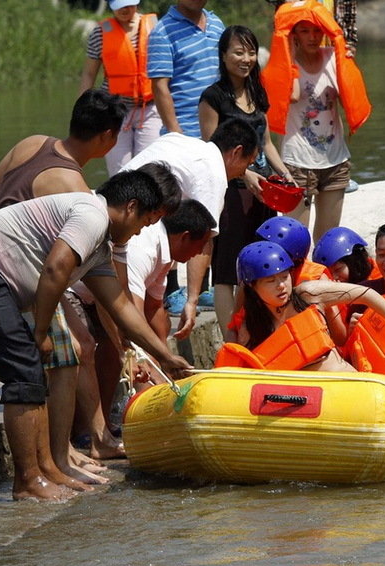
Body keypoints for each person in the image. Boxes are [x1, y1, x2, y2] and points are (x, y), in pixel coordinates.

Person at [0, 171, 191, 502]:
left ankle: (46, 470)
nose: (141, 231)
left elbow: (121, 308)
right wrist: (41, 331)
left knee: (33, 373)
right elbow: (55, 268)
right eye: (145, 222)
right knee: (24, 372)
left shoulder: (100, 248)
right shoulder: (92, 215)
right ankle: (28, 482)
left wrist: (166, 357)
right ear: (130, 207)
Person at [0, 89, 150, 476]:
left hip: (3, 260)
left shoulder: (32, 143)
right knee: (69, 350)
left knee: (81, 345)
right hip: (25, 276)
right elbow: (92, 277)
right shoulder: (74, 188)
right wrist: (123, 339)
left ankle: (93, 439)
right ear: (108, 136)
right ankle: (63, 452)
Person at [121, 117, 259, 333]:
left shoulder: (181, 142)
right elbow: (204, 238)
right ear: (236, 152)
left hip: (119, 209)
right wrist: (192, 300)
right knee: (133, 320)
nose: (244, 173)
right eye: (247, 164)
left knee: (155, 314)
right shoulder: (213, 173)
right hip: (133, 233)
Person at [199, 25, 296, 330]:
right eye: (238, 52)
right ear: (223, 55)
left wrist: (285, 174)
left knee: (260, 264)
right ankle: (230, 341)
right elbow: (212, 149)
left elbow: (266, 143)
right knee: (227, 270)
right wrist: (245, 173)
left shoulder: (257, 91)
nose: (246, 59)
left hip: (262, 192)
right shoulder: (213, 97)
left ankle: (254, 332)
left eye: (251, 52)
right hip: (230, 190)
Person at [214, 241, 385, 372]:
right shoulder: (250, 328)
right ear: (252, 286)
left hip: (344, 387)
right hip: (299, 402)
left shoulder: (308, 294)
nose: (281, 285)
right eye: (271, 281)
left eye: (285, 276)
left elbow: (367, 294)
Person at [261, 0, 371, 242]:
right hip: (298, 162)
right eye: (304, 31)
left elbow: (349, 97)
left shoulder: (334, 58)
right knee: (296, 239)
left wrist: (347, 61)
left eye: (316, 30)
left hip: (335, 160)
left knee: (327, 239)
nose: (312, 37)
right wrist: (289, 54)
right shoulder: (283, 65)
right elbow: (293, 95)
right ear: (294, 34)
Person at [79, 0, 162, 176]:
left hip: (149, 109)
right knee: (119, 171)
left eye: (129, 4)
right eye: (120, 4)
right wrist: (83, 109)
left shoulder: (156, 27)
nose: (125, 9)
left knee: (148, 169)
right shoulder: (100, 33)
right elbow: (89, 74)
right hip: (113, 111)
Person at [118, 198, 215, 344]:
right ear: (185, 237)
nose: (200, 252)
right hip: (90, 298)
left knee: (165, 323)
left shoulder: (167, 251)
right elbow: (134, 314)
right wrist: (158, 354)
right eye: (201, 245)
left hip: (115, 304)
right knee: (116, 337)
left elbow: (153, 307)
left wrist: (164, 350)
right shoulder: (144, 250)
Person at [147, 0, 224, 137]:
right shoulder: (162, 32)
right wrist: (176, 133)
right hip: (187, 133)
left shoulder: (216, 24)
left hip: (221, 130)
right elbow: (159, 87)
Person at [312, 225, 378, 284]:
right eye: (329, 273)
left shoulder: (380, 279)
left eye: (338, 269)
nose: (334, 277)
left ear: (356, 261)